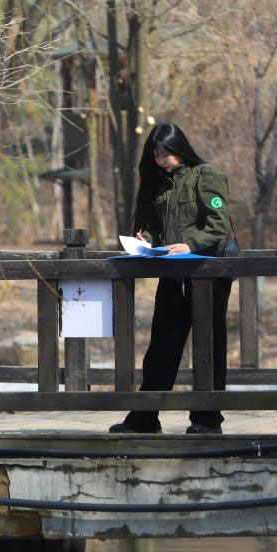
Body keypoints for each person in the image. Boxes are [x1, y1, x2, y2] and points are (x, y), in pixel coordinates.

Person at [109, 122, 233, 435]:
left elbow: (218, 228)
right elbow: (154, 225)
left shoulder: (205, 176)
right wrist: (146, 239)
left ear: (181, 148)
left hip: (206, 276)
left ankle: (207, 419)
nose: (162, 159)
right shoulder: (158, 184)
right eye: (157, 154)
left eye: (167, 153)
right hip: (172, 274)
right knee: (161, 347)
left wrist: (190, 244)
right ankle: (145, 417)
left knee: (209, 346)